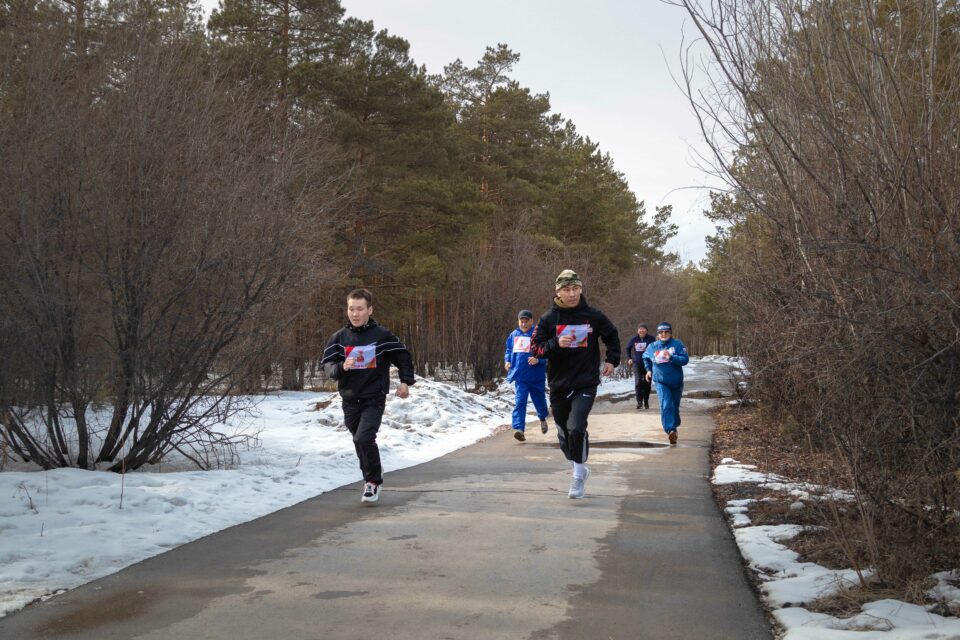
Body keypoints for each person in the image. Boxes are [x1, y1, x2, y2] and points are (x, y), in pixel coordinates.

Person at [531, 269, 620, 499]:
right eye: (566, 290)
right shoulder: (548, 319)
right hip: (559, 384)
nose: (572, 294)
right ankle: (579, 467)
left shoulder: (593, 315)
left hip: (585, 382)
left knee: (577, 427)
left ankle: (578, 475)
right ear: (558, 292)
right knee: (564, 433)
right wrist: (555, 343)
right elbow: (535, 349)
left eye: (575, 289)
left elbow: (612, 336)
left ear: (581, 289)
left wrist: (612, 360)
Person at [321, 288, 415, 504]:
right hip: (349, 398)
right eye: (351, 309)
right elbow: (327, 365)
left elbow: (403, 358)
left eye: (360, 309)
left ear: (369, 310)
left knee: (363, 438)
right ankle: (371, 474)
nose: (355, 314)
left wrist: (405, 381)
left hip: (374, 397)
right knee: (359, 441)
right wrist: (342, 367)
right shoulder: (339, 338)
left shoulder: (382, 336)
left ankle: (372, 481)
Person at [504, 310, 549, 441]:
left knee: (539, 402)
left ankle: (542, 418)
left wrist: (538, 360)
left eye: (526, 321)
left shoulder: (539, 334)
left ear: (531, 321)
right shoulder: (514, 334)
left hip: (536, 377)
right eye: (521, 321)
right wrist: (507, 361)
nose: (523, 324)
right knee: (520, 402)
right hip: (520, 376)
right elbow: (509, 350)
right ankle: (519, 429)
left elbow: (547, 352)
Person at [642, 322, 689, 445]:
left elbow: (685, 360)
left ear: (670, 333)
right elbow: (645, 357)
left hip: (676, 381)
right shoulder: (652, 346)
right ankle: (670, 430)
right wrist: (648, 370)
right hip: (661, 381)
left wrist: (672, 357)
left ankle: (674, 423)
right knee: (666, 404)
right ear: (658, 334)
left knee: (674, 408)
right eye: (661, 332)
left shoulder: (677, 344)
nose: (663, 334)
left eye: (666, 331)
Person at [625, 323, 656, 409]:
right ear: (637, 331)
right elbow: (627, 348)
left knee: (647, 383)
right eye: (640, 329)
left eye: (643, 329)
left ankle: (646, 401)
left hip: (648, 364)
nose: (641, 330)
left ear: (646, 330)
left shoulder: (651, 339)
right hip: (637, 364)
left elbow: (656, 348)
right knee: (638, 382)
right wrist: (629, 358)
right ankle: (639, 402)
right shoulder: (634, 339)